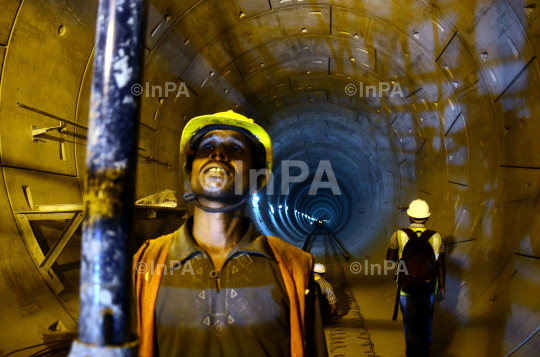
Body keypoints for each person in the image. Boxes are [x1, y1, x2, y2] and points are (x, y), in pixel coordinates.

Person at [132, 111, 327, 357]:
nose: (218, 154)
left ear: (259, 179)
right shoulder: (147, 263)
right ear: (189, 171)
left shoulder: (293, 267)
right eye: (207, 147)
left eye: (235, 149)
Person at [386, 199, 446, 357]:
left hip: (406, 287)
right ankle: (425, 352)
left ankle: (412, 353)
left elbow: (390, 260)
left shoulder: (398, 234)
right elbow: (441, 264)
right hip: (429, 288)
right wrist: (442, 288)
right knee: (426, 323)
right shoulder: (437, 237)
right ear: (427, 217)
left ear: (410, 217)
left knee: (410, 324)